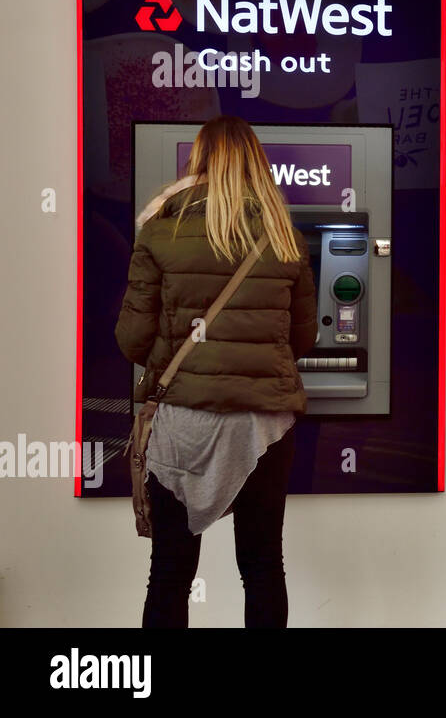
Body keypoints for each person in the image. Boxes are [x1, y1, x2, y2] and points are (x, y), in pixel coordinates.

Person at [115, 115, 317, 628]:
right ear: (257, 164)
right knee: (263, 565)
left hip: (184, 422)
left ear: (197, 161)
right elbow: (302, 339)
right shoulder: (285, 239)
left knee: (170, 571)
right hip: (263, 426)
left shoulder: (160, 233)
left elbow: (132, 340)